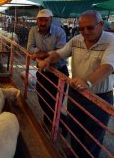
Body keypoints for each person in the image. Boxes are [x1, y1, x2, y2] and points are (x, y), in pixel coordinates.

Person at [37, 10, 114, 158]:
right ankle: (75, 153)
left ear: (101, 25)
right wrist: (47, 60)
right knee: (75, 129)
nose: (85, 32)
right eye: (81, 28)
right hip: (76, 93)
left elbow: (108, 67)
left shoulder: (111, 41)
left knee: (92, 136)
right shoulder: (76, 40)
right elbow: (60, 53)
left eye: (90, 28)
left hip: (98, 97)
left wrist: (87, 82)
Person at [27, 9, 69, 131]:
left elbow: (60, 52)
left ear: (51, 20)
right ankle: (63, 123)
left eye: (46, 20)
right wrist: (45, 54)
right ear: (37, 20)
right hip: (43, 71)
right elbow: (29, 47)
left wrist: (41, 55)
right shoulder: (33, 30)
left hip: (59, 71)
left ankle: (50, 122)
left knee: (56, 102)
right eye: (40, 20)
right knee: (42, 97)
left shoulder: (60, 32)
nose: (43, 23)